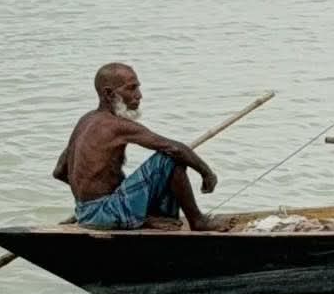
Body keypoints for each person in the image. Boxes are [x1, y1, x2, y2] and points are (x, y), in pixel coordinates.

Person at [53, 63, 218, 231]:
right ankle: (198, 221)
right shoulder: (115, 125)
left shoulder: (85, 121)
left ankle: (136, 216)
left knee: (166, 160)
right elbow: (175, 149)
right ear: (109, 94)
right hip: (104, 215)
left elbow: (59, 171)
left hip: (84, 213)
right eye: (131, 89)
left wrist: (89, 201)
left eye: (137, 88)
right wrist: (207, 173)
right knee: (169, 159)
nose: (139, 96)